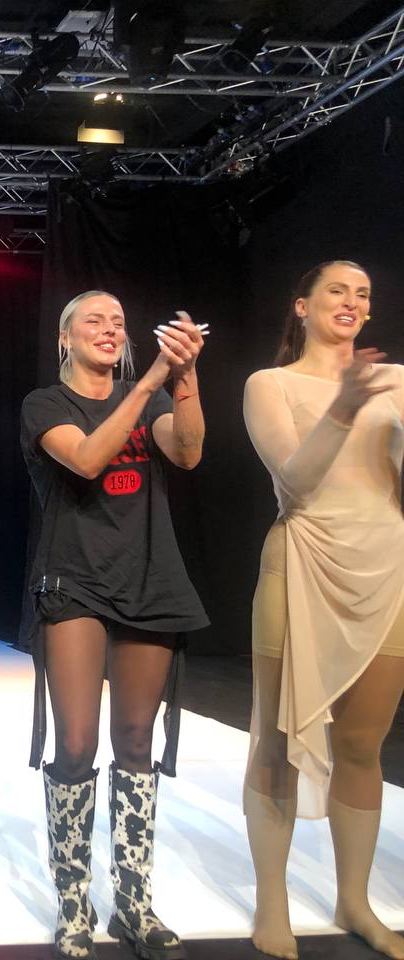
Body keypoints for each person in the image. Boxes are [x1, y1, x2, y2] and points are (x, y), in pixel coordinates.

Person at [20, 291, 208, 960]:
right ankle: (74, 901)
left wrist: (184, 375)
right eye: (94, 320)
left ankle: (134, 901)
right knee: (75, 742)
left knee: (135, 741)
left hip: (148, 578)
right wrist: (153, 378)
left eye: (119, 322)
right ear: (65, 337)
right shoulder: (45, 403)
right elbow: (88, 458)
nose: (110, 329)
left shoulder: (149, 397)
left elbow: (187, 451)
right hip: (74, 580)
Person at [242, 260, 404, 960]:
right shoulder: (269, 384)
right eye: (338, 289)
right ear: (302, 306)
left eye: (363, 293)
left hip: (387, 569)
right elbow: (297, 480)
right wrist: (345, 406)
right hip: (303, 561)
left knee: (363, 746)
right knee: (279, 741)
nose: (352, 301)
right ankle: (271, 903)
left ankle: (354, 901)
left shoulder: (397, 382)